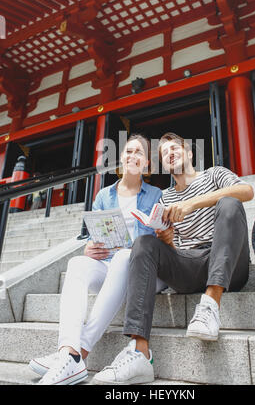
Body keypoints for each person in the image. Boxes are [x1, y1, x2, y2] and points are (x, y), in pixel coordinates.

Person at [93, 132, 254, 385]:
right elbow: (175, 248)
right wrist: (166, 239)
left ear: (189, 153)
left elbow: (246, 190)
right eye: (164, 153)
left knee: (230, 202)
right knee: (144, 243)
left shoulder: (214, 174)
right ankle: (139, 352)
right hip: (191, 264)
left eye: (175, 149)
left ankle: (210, 306)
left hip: (230, 263)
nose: (170, 153)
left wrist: (192, 203)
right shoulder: (165, 197)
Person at [28, 134, 166, 385]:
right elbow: (96, 233)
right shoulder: (104, 195)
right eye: (129, 151)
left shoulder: (156, 194)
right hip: (109, 264)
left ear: (147, 164)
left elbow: (155, 237)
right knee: (76, 264)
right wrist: (90, 247)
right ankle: (68, 349)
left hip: (138, 269)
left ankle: (78, 355)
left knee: (126, 255)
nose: (133, 156)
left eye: (140, 153)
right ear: (122, 157)